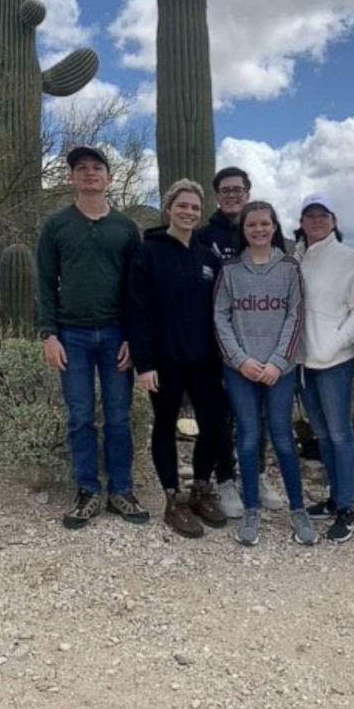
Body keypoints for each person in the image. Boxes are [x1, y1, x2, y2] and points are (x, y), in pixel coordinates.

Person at [37, 145, 149, 530]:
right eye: (81, 168)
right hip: (73, 336)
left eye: (96, 168)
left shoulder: (125, 228)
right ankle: (87, 489)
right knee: (80, 416)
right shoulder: (57, 226)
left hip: (117, 332)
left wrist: (135, 338)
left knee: (118, 416)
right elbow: (45, 282)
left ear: (109, 178)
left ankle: (121, 490)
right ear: (71, 177)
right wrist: (49, 334)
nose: (89, 173)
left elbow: (137, 289)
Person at [126, 179, 228, 539]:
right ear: (168, 208)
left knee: (214, 424)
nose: (188, 212)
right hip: (165, 360)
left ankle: (201, 486)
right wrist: (145, 363)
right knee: (165, 424)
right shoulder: (148, 252)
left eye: (195, 208)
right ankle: (173, 497)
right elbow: (137, 310)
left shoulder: (207, 257)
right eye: (182, 205)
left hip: (205, 360)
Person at [214, 200, 318, 547]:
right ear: (242, 231)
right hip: (240, 369)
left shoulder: (289, 268)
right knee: (246, 436)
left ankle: (298, 509)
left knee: (283, 438)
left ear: (274, 227)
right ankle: (251, 510)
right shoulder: (230, 270)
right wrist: (240, 359)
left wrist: (277, 361)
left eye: (265, 224)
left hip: (280, 371)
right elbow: (220, 317)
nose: (258, 230)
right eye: (251, 225)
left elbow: (295, 316)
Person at [198, 166, 283, 515]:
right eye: (225, 190)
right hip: (213, 339)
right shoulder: (205, 236)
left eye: (238, 189)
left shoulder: (262, 229)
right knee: (220, 415)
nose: (232, 195)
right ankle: (225, 480)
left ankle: (257, 476)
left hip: (257, 339)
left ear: (248, 193)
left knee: (257, 415)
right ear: (217, 195)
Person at [293, 193, 354, 542]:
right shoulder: (299, 258)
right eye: (310, 216)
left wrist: (334, 344)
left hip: (335, 361)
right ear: (302, 222)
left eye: (322, 215)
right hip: (305, 362)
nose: (316, 221)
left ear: (334, 221)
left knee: (340, 433)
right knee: (322, 433)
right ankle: (334, 498)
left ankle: (347, 507)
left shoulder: (349, 260)